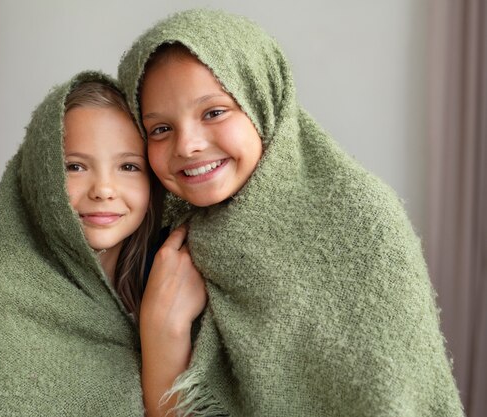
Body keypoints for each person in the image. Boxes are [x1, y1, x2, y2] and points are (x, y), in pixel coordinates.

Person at [118, 8, 465, 417]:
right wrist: (163, 330)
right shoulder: (156, 245)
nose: (187, 145)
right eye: (160, 129)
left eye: (214, 112)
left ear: (262, 102)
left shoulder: (360, 223)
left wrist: (163, 331)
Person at [0, 72, 201, 416]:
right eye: (75, 166)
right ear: (42, 177)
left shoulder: (170, 280)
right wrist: (163, 333)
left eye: (128, 166)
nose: (103, 189)